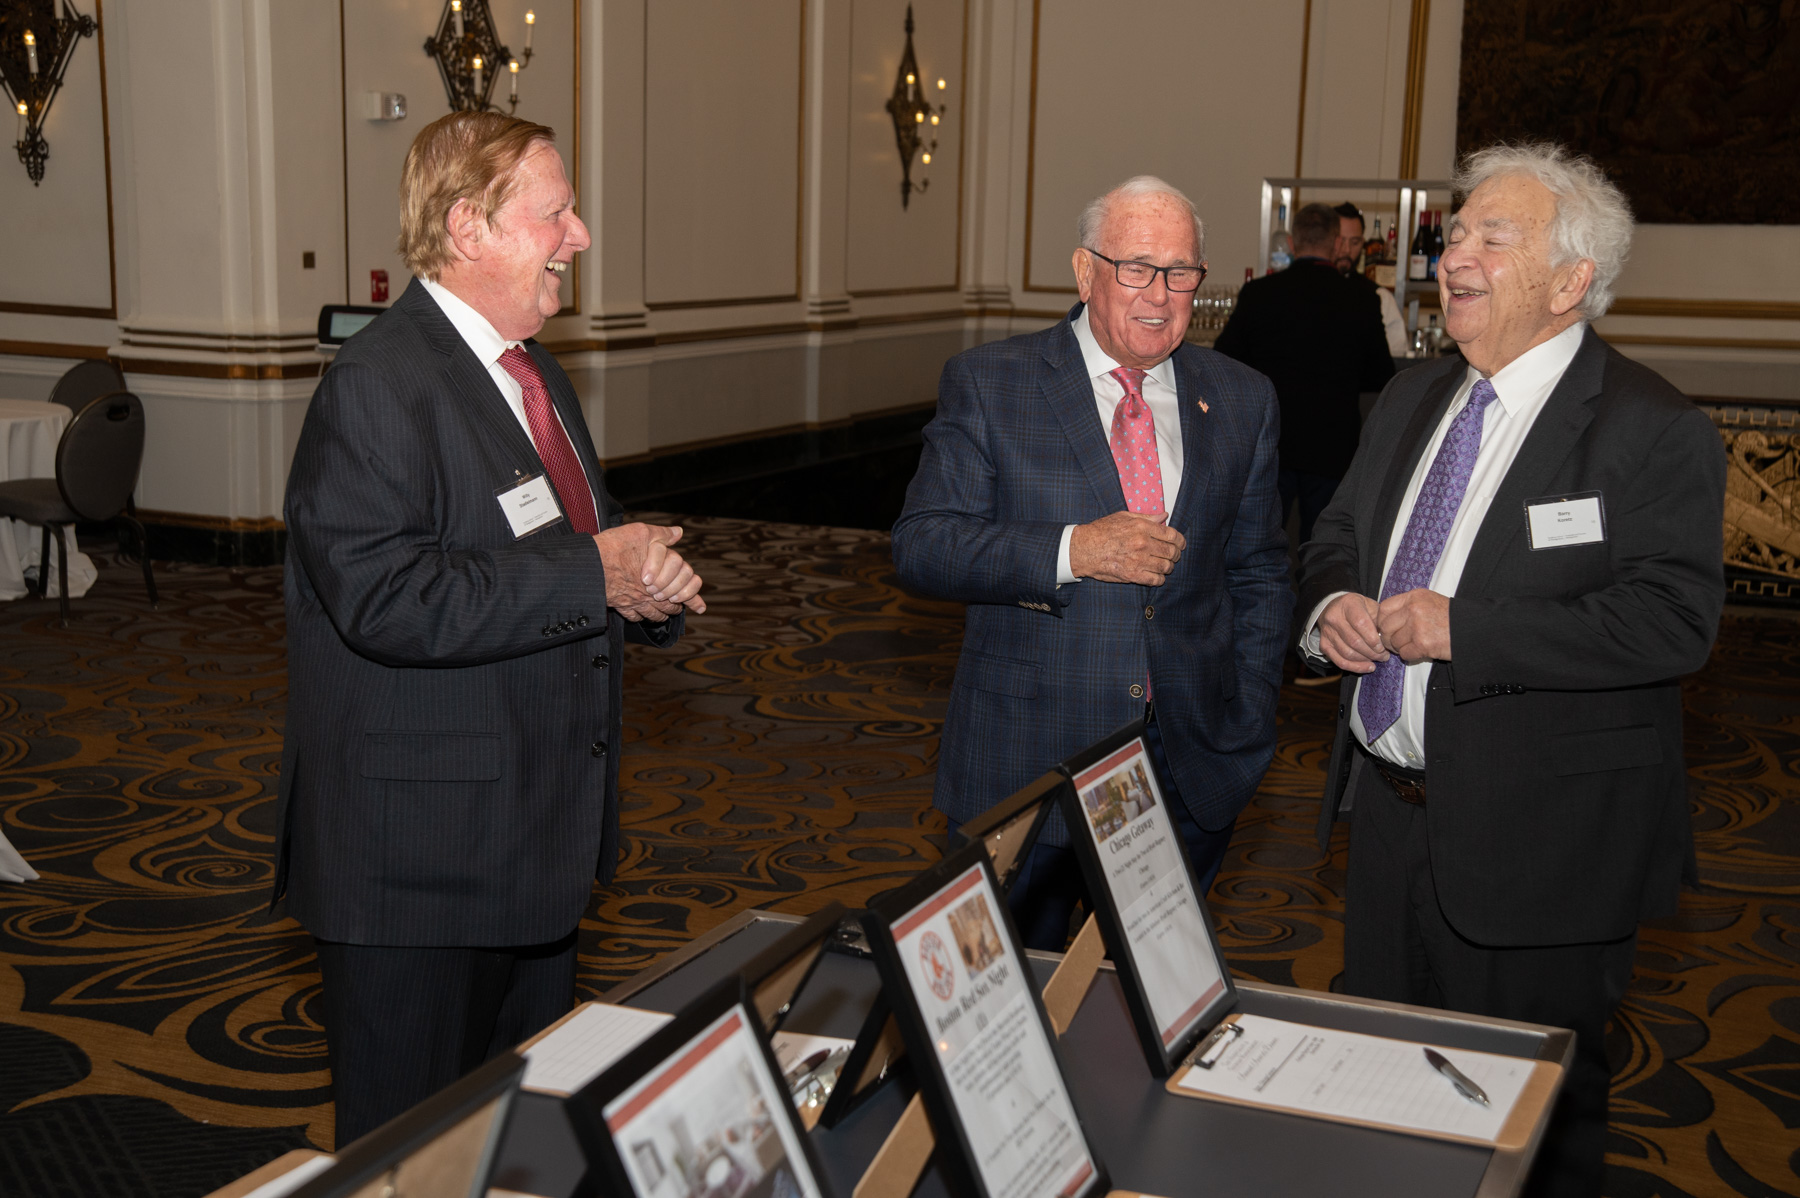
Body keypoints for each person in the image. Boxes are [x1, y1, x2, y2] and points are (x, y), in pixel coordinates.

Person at [1297, 144, 1724, 1198]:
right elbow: (1337, 532)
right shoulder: (1412, 396)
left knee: (1530, 1136)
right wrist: (1331, 604)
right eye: (1456, 236)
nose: (1453, 258)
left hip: (1542, 847)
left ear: (1571, 280)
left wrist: (1467, 631)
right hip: (1386, 822)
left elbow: (1673, 623)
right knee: (1385, 1107)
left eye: (1494, 238)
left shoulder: (1649, 427)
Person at [274, 111, 705, 1146]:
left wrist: (636, 586)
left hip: (532, 842)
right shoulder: (378, 384)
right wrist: (594, 571)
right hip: (418, 865)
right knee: (412, 1152)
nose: (580, 236)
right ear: (468, 226)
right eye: (557, 213)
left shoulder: (533, 373)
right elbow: (384, 598)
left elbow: (565, 548)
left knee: (515, 1142)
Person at [892, 176, 1292, 950]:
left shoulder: (1242, 397)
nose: (1161, 295)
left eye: (1181, 272)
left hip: (1188, 768)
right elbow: (924, 545)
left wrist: (1247, 715)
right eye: (1137, 268)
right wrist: (1075, 550)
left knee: (1153, 999)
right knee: (1015, 999)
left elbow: (1259, 573)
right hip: (1028, 763)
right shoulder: (992, 382)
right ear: (1085, 272)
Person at [1215, 201, 1394, 551]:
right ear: (1336, 243)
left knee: (1258, 545)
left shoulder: (1260, 293)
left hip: (1272, 441)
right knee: (1323, 547)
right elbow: (1381, 374)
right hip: (1332, 444)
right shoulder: (1361, 298)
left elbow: (1226, 360)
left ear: (1292, 243)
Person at [1331, 201, 1407, 355]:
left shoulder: (1380, 297)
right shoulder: (1308, 290)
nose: (1347, 250)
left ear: (1362, 243)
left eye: (1354, 242)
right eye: (1341, 241)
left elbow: (1397, 357)